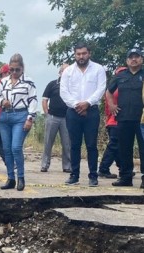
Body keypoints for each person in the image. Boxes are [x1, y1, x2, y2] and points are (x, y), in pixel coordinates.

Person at [60, 42, 106, 186]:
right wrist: (76, 104)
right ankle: (74, 175)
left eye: (84, 53)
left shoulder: (98, 69)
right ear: (75, 55)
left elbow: (101, 89)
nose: (81, 56)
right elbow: (64, 91)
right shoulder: (68, 71)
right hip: (73, 112)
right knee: (74, 145)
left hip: (91, 111)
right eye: (78, 54)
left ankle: (93, 176)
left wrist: (87, 103)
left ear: (89, 53)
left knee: (91, 144)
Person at [0, 53, 37, 191]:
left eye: (17, 69)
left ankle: (21, 177)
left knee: (16, 147)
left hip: (20, 116)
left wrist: (30, 118)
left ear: (22, 68)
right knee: (6, 149)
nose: (14, 72)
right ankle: (10, 178)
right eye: (11, 70)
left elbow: (33, 101)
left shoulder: (28, 82)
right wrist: (2, 101)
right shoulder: (3, 82)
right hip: (5, 117)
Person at [106, 47, 144, 188]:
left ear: (141, 59)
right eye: (131, 57)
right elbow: (109, 92)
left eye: (137, 56)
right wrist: (111, 105)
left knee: (143, 148)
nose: (134, 59)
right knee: (124, 148)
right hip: (123, 118)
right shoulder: (120, 76)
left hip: (141, 120)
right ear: (127, 60)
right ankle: (126, 177)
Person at [41, 64, 72, 173]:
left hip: (67, 118)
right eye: (64, 70)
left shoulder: (72, 85)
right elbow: (44, 99)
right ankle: (44, 165)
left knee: (67, 143)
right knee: (48, 142)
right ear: (60, 72)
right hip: (53, 117)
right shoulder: (52, 84)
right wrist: (46, 113)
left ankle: (67, 166)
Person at [98, 67, 127, 179]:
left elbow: (106, 108)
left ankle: (123, 168)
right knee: (114, 145)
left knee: (118, 146)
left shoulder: (111, 89)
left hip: (111, 121)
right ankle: (103, 168)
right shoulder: (120, 89)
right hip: (117, 121)